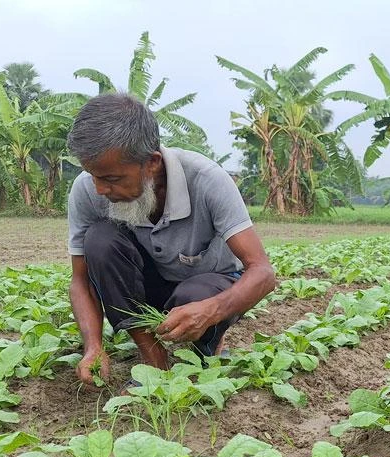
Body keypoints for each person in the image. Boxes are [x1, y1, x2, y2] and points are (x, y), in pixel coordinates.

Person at [65, 94, 276, 386]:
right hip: (148, 285)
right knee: (100, 240)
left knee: (195, 297)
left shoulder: (207, 179)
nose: (99, 189)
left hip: (207, 286)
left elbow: (263, 273)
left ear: (151, 163)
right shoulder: (87, 189)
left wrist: (211, 310)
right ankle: (154, 360)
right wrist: (93, 345)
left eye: (112, 179)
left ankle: (208, 346)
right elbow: (80, 280)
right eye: (93, 175)